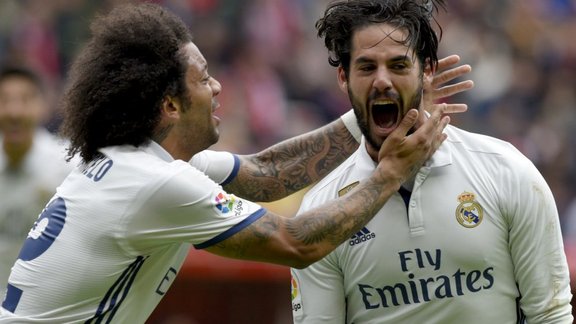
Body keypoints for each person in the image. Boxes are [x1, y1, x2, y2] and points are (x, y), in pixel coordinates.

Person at [0, 3, 471, 323]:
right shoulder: (154, 183)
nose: (218, 87)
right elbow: (295, 241)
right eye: (204, 79)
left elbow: (267, 174)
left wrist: (372, 103)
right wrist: (391, 172)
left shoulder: (140, 162)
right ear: (170, 105)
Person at [290, 0, 573, 323]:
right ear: (343, 77)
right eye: (367, 67)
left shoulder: (507, 172)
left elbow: (551, 315)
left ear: (427, 71)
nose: (382, 81)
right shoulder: (321, 212)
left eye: (398, 66)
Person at [0, 66, 76, 298]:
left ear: (43, 106)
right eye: (4, 100)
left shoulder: (69, 166)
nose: (15, 111)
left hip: (45, 304)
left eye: (25, 99)